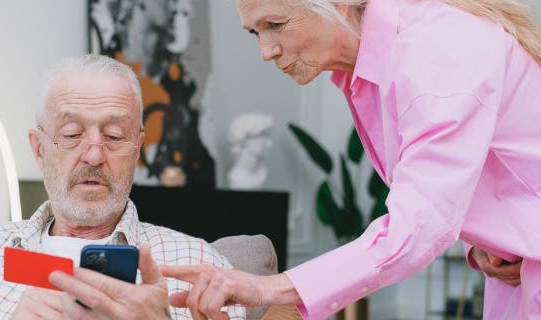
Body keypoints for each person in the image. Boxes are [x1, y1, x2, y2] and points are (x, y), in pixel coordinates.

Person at [161, 0, 541, 319]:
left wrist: (269, 288)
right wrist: (497, 240)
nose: (266, 50)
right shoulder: (375, 69)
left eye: (275, 24)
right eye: (254, 32)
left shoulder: (438, 51)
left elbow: (420, 224)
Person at [0, 54, 245, 320]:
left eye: (113, 136)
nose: (94, 154)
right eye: (71, 135)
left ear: (137, 149)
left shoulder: (199, 267)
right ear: (39, 149)